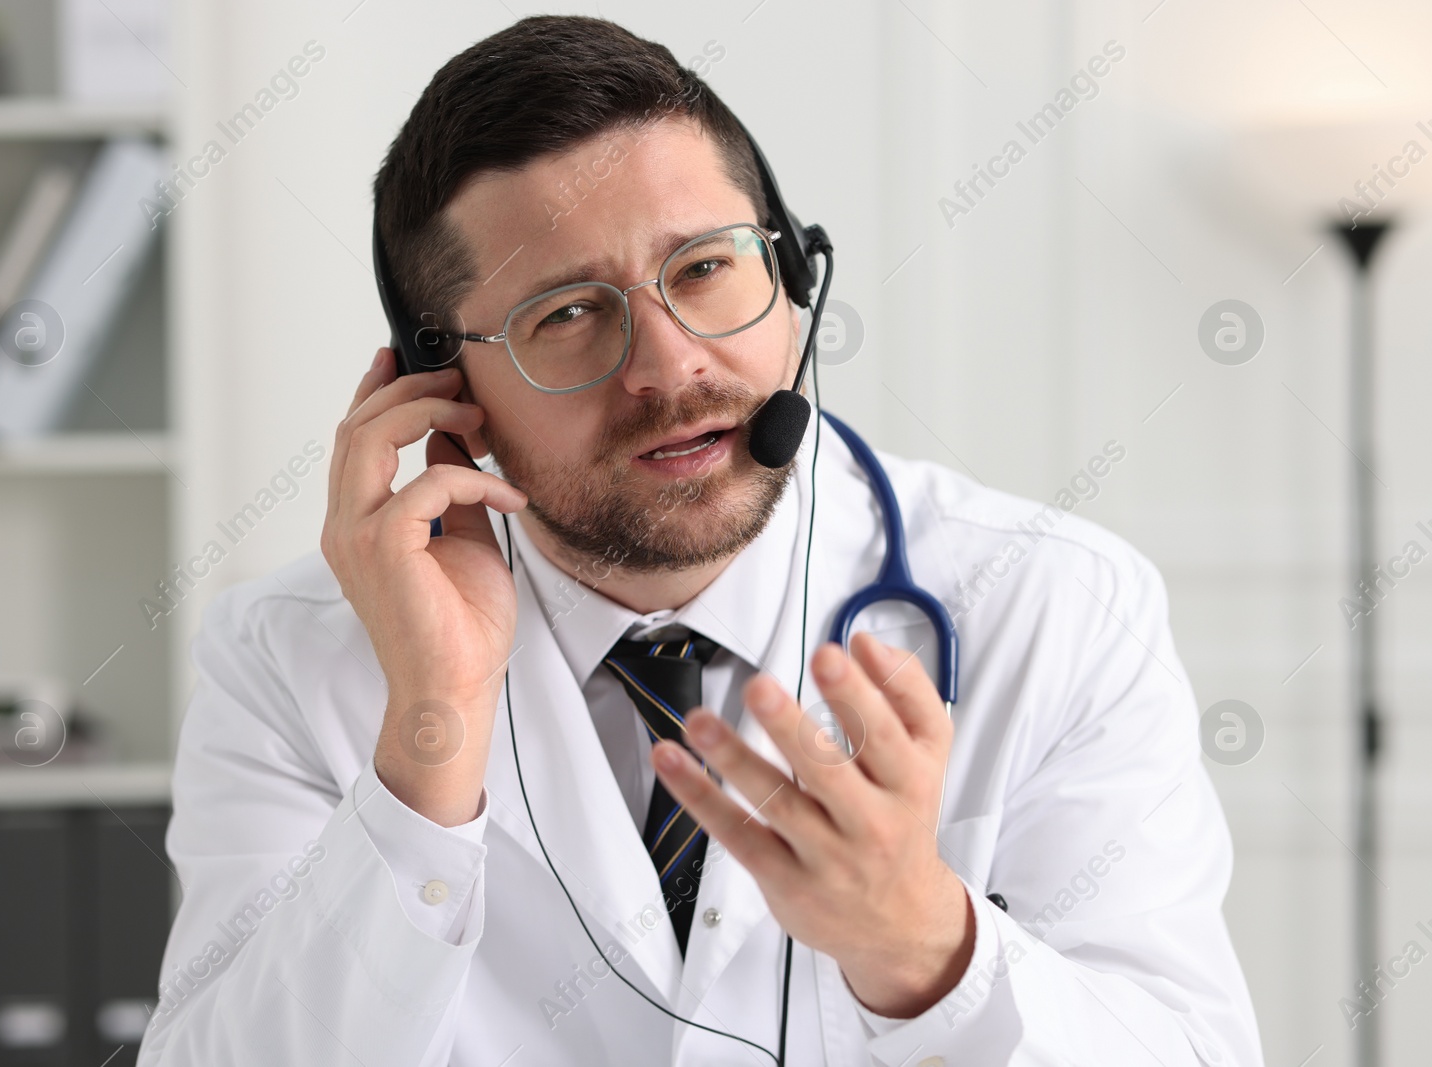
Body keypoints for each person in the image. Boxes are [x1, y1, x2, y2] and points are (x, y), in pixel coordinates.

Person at [139, 15, 1261, 1066]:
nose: (669, 367)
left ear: (794, 276)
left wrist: (928, 950)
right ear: (444, 388)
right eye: (567, 312)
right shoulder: (286, 656)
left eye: (704, 267)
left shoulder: (1052, 603)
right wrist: (427, 743)